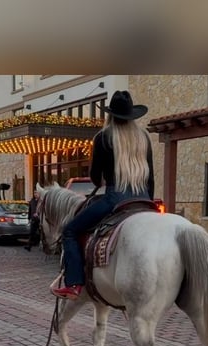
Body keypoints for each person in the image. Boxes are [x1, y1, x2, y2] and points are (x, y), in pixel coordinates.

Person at [51, 90, 154, 300]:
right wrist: (149, 203)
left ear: (111, 115)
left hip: (115, 199)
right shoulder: (143, 137)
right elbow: (151, 177)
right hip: (143, 200)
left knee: (69, 231)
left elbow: (96, 177)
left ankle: (74, 284)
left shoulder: (104, 137)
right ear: (132, 115)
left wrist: (103, 179)